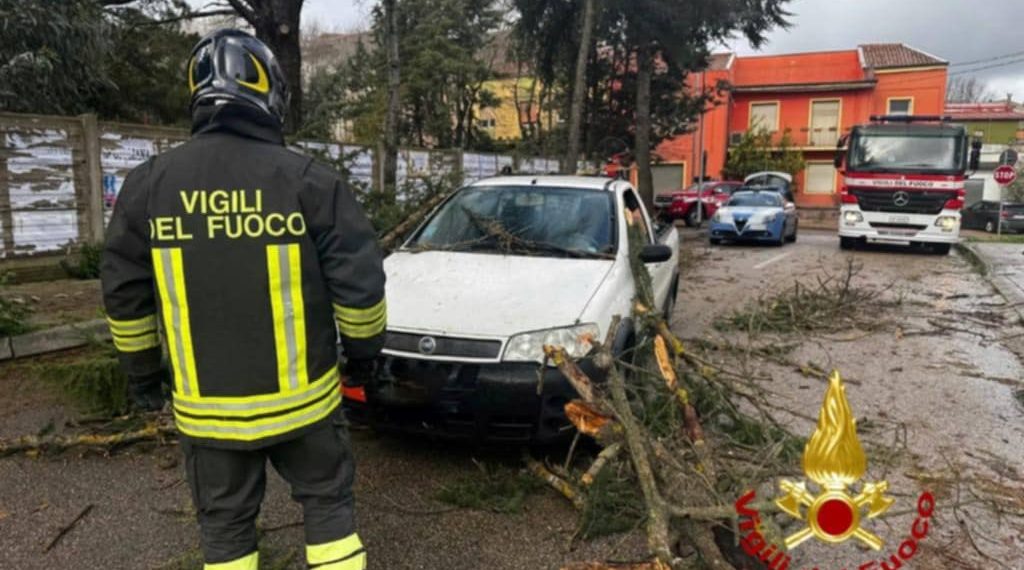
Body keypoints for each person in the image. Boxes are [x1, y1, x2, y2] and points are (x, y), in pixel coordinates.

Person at [100, 29, 385, 570]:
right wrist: (366, 360)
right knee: (328, 509)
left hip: (209, 418)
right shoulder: (309, 181)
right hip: (307, 407)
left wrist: (142, 378)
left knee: (225, 530)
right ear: (270, 94)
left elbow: (123, 297)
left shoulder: (148, 187)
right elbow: (360, 288)